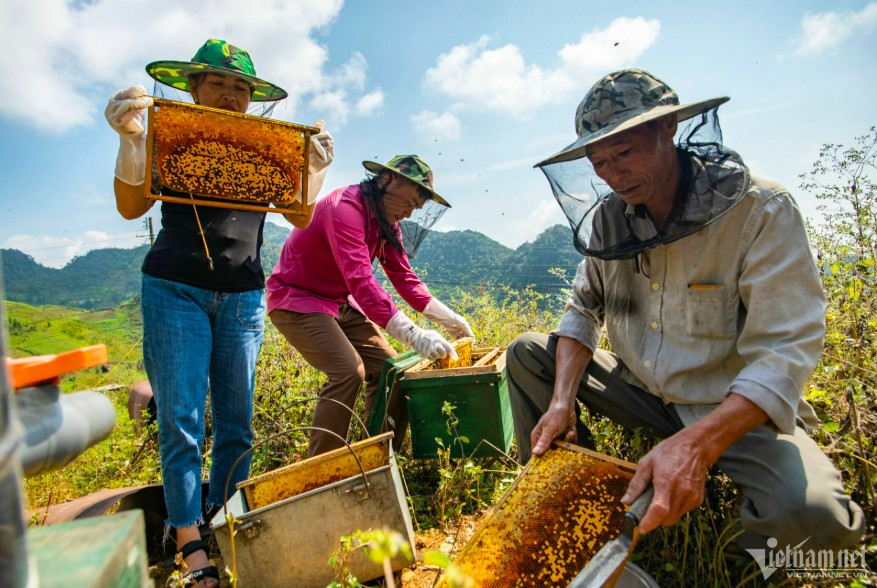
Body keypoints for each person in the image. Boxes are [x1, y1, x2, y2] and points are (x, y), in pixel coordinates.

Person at [508, 68, 864, 554]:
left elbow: (785, 351)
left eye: (626, 153)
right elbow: (582, 309)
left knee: (819, 521)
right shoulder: (611, 220)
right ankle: (566, 498)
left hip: (728, 407)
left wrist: (697, 443)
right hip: (642, 391)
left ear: (668, 128)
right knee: (528, 353)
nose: (614, 174)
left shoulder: (760, 210)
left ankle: (726, 548)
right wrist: (561, 400)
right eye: (600, 162)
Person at [104, 38, 334, 587]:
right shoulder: (173, 135)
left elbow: (298, 215)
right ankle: (188, 541)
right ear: (192, 88)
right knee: (181, 420)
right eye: (218, 84)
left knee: (237, 423)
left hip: (242, 293)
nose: (231, 97)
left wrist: (315, 167)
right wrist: (131, 140)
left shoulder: (262, 147)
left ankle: (227, 523)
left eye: (241, 89)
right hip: (174, 288)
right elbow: (131, 204)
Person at [267, 155, 474, 457]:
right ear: (387, 180)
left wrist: (450, 320)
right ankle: (321, 469)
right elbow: (361, 282)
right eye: (410, 202)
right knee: (349, 371)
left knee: (390, 370)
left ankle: (376, 456)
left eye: (417, 207)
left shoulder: (386, 223)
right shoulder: (344, 209)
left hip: (339, 301)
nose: (410, 212)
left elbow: (404, 278)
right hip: (297, 298)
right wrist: (415, 335)